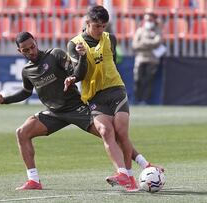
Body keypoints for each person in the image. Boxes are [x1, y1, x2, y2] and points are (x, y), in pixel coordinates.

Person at [65, 5, 163, 192]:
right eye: (97, 26)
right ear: (87, 23)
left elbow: (111, 62)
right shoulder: (74, 44)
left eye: (104, 26)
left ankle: (127, 176)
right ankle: (126, 174)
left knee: (121, 133)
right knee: (105, 131)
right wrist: (81, 60)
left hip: (116, 90)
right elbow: (80, 73)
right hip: (95, 95)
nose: (101, 30)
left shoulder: (111, 39)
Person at [0, 31, 96, 190]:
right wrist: (4, 100)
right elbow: (26, 93)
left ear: (36, 42)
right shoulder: (27, 71)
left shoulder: (55, 55)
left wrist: (82, 57)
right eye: (26, 50)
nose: (31, 51)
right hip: (54, 113)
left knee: (109, 134)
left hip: (76, 107)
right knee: (22, 132)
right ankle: (33, 180)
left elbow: (77, 73)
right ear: (20, 51)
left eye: (32, 46)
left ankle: (141, 165)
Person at [132, 11, 163, 105]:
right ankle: (137, 100)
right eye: (146, 19)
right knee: (137, 79)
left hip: (152, 60)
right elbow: (134, 45)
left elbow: (157, 43)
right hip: (140, 59)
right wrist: (150, 43)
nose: (148, 21)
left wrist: (143, 42)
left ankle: (145, 101)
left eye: (150, 19)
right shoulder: (140, 30)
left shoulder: (158, 30)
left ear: (154, 20)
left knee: (149, 81)